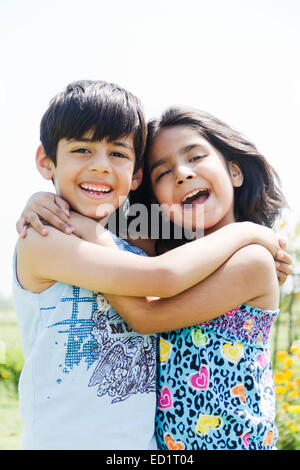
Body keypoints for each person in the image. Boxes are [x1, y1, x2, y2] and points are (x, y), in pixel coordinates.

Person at [14, 82, 285, 451]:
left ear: (235, 172)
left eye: (196, 157)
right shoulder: (126, 246)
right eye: (162, 172)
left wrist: (249, 233)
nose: (183, 173)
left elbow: (152, 299)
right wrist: (41, 199)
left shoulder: (248, 257)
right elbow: (156, 270)